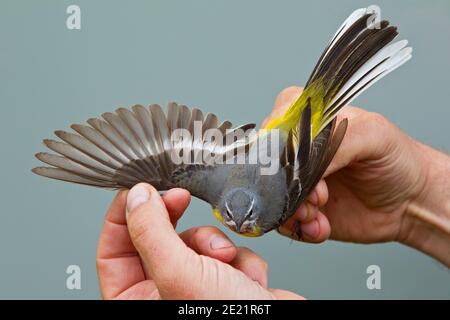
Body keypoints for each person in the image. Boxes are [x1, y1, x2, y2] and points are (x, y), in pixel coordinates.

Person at [96, 87, 450, 299]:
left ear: (257, 211)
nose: (237, 227)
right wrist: (410, 203)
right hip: (276, 142)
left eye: (247, 219)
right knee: (163, 177)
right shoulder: (216, 195)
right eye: (232, 219)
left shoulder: (273, 212)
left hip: (288, 143)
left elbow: (301, 171)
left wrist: (416, 196)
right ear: (221, 208)